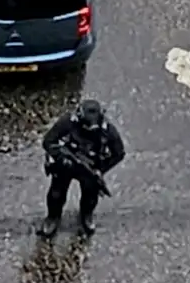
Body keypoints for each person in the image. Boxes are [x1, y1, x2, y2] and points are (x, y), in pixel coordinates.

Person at [38, 99, 126, 239]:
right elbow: (48, 141)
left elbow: (119, 153)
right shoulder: (67, 122)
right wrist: (62, 157)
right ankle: (53, 217)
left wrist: (101, 169)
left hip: (91, 167)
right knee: (56, 194)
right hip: (65, 165)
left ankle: (86, 215)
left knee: (90, 196)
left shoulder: (107, 130)